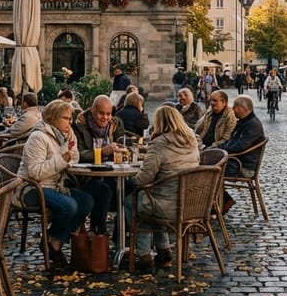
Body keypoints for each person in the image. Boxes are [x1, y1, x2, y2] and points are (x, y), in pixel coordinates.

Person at [17, 99, 95, 266]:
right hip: (32, 188)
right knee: (69, 206)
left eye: (70, 118)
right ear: (53, 118)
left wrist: (69, 160)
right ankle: (54, 245)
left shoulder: (67, 135)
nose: (70, 122)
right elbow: (34, 172)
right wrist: (62, 160)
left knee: (87, 201)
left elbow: (74, 156)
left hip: (56, 185)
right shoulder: (38, 137)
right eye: (66, 118)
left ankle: (53, 240)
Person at [124, 105, 199, 270]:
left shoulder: (160, 143)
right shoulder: (191, 140)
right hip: (190, 202)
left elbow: (143, 179)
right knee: (155, 198)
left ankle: (143, 253)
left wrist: (128, 177)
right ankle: (164, 248)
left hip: (167, 205)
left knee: (132, 201)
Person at [71, 96, 120, 234]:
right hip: (85, 178)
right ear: (92, 110)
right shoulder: (79, 125)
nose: (105, 117)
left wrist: (119, 151)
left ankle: (121, 235)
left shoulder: (115, 124)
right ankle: (99, 233)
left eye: (108, 113)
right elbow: (78, 154)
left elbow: (122, 145)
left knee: (132, 189)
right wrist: (101, 152)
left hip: (112, 174)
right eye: (101, 113)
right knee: (103, 190)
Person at [215, 96, 265, 215]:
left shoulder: (252, 125)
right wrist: (217, 149)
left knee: (209, 171)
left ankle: (223, 201)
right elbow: (231, 142)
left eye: (236, 106)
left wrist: (221, 152)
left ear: (244, 108)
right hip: (236, 160)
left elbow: (239, 147)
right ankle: (219, 201)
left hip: (243, 166)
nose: (233, 109)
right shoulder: (244, 122)